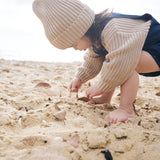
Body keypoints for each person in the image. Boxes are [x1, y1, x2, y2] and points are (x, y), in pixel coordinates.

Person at [33, 0, 160, 124]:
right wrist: (80, 77)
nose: (76, 49)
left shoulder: (113, 29)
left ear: (82, 30)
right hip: (147, 52)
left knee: (125, 64)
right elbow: (93, 60)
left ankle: (126, 109)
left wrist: (101, 86)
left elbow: (120, 63)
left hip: (156, 47)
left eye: (74, 44)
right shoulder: (95, 38)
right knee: (111, 60)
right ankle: (106, 98)